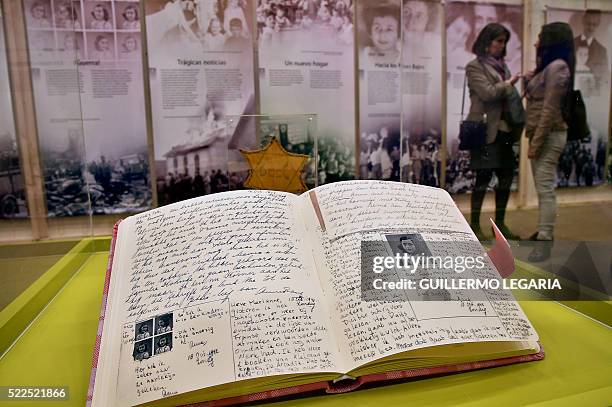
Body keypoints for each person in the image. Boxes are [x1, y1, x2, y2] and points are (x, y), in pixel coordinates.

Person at [465, 23, 521, 240]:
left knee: (506, 177)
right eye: (498, 41)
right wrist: (510, 84)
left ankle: (500, 224)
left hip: (504, 131)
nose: (502, 45)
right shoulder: (474, 66)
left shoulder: (502, 67)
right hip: (485, 131)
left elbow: (505, 95)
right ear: (487, 42)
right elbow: (487, 93)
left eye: (504, 42)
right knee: (482, 178)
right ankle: (475, 226)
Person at [524, 22, 574, 260]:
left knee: (545, 189)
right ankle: (543, 231)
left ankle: (545, 238)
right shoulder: (551, 67)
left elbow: (549, 110)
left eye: (540, 38)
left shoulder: (558, 67)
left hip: (548, 135)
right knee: (543, 187)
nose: (536, 42)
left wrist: (536, 142)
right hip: (541, 134)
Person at [574, 9, 609, 87]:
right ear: (583, 20)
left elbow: (604, 79)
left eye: (594, 24)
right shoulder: (571, 44)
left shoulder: (602, 51)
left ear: (599, 24)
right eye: (588, 23)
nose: (591, 28)